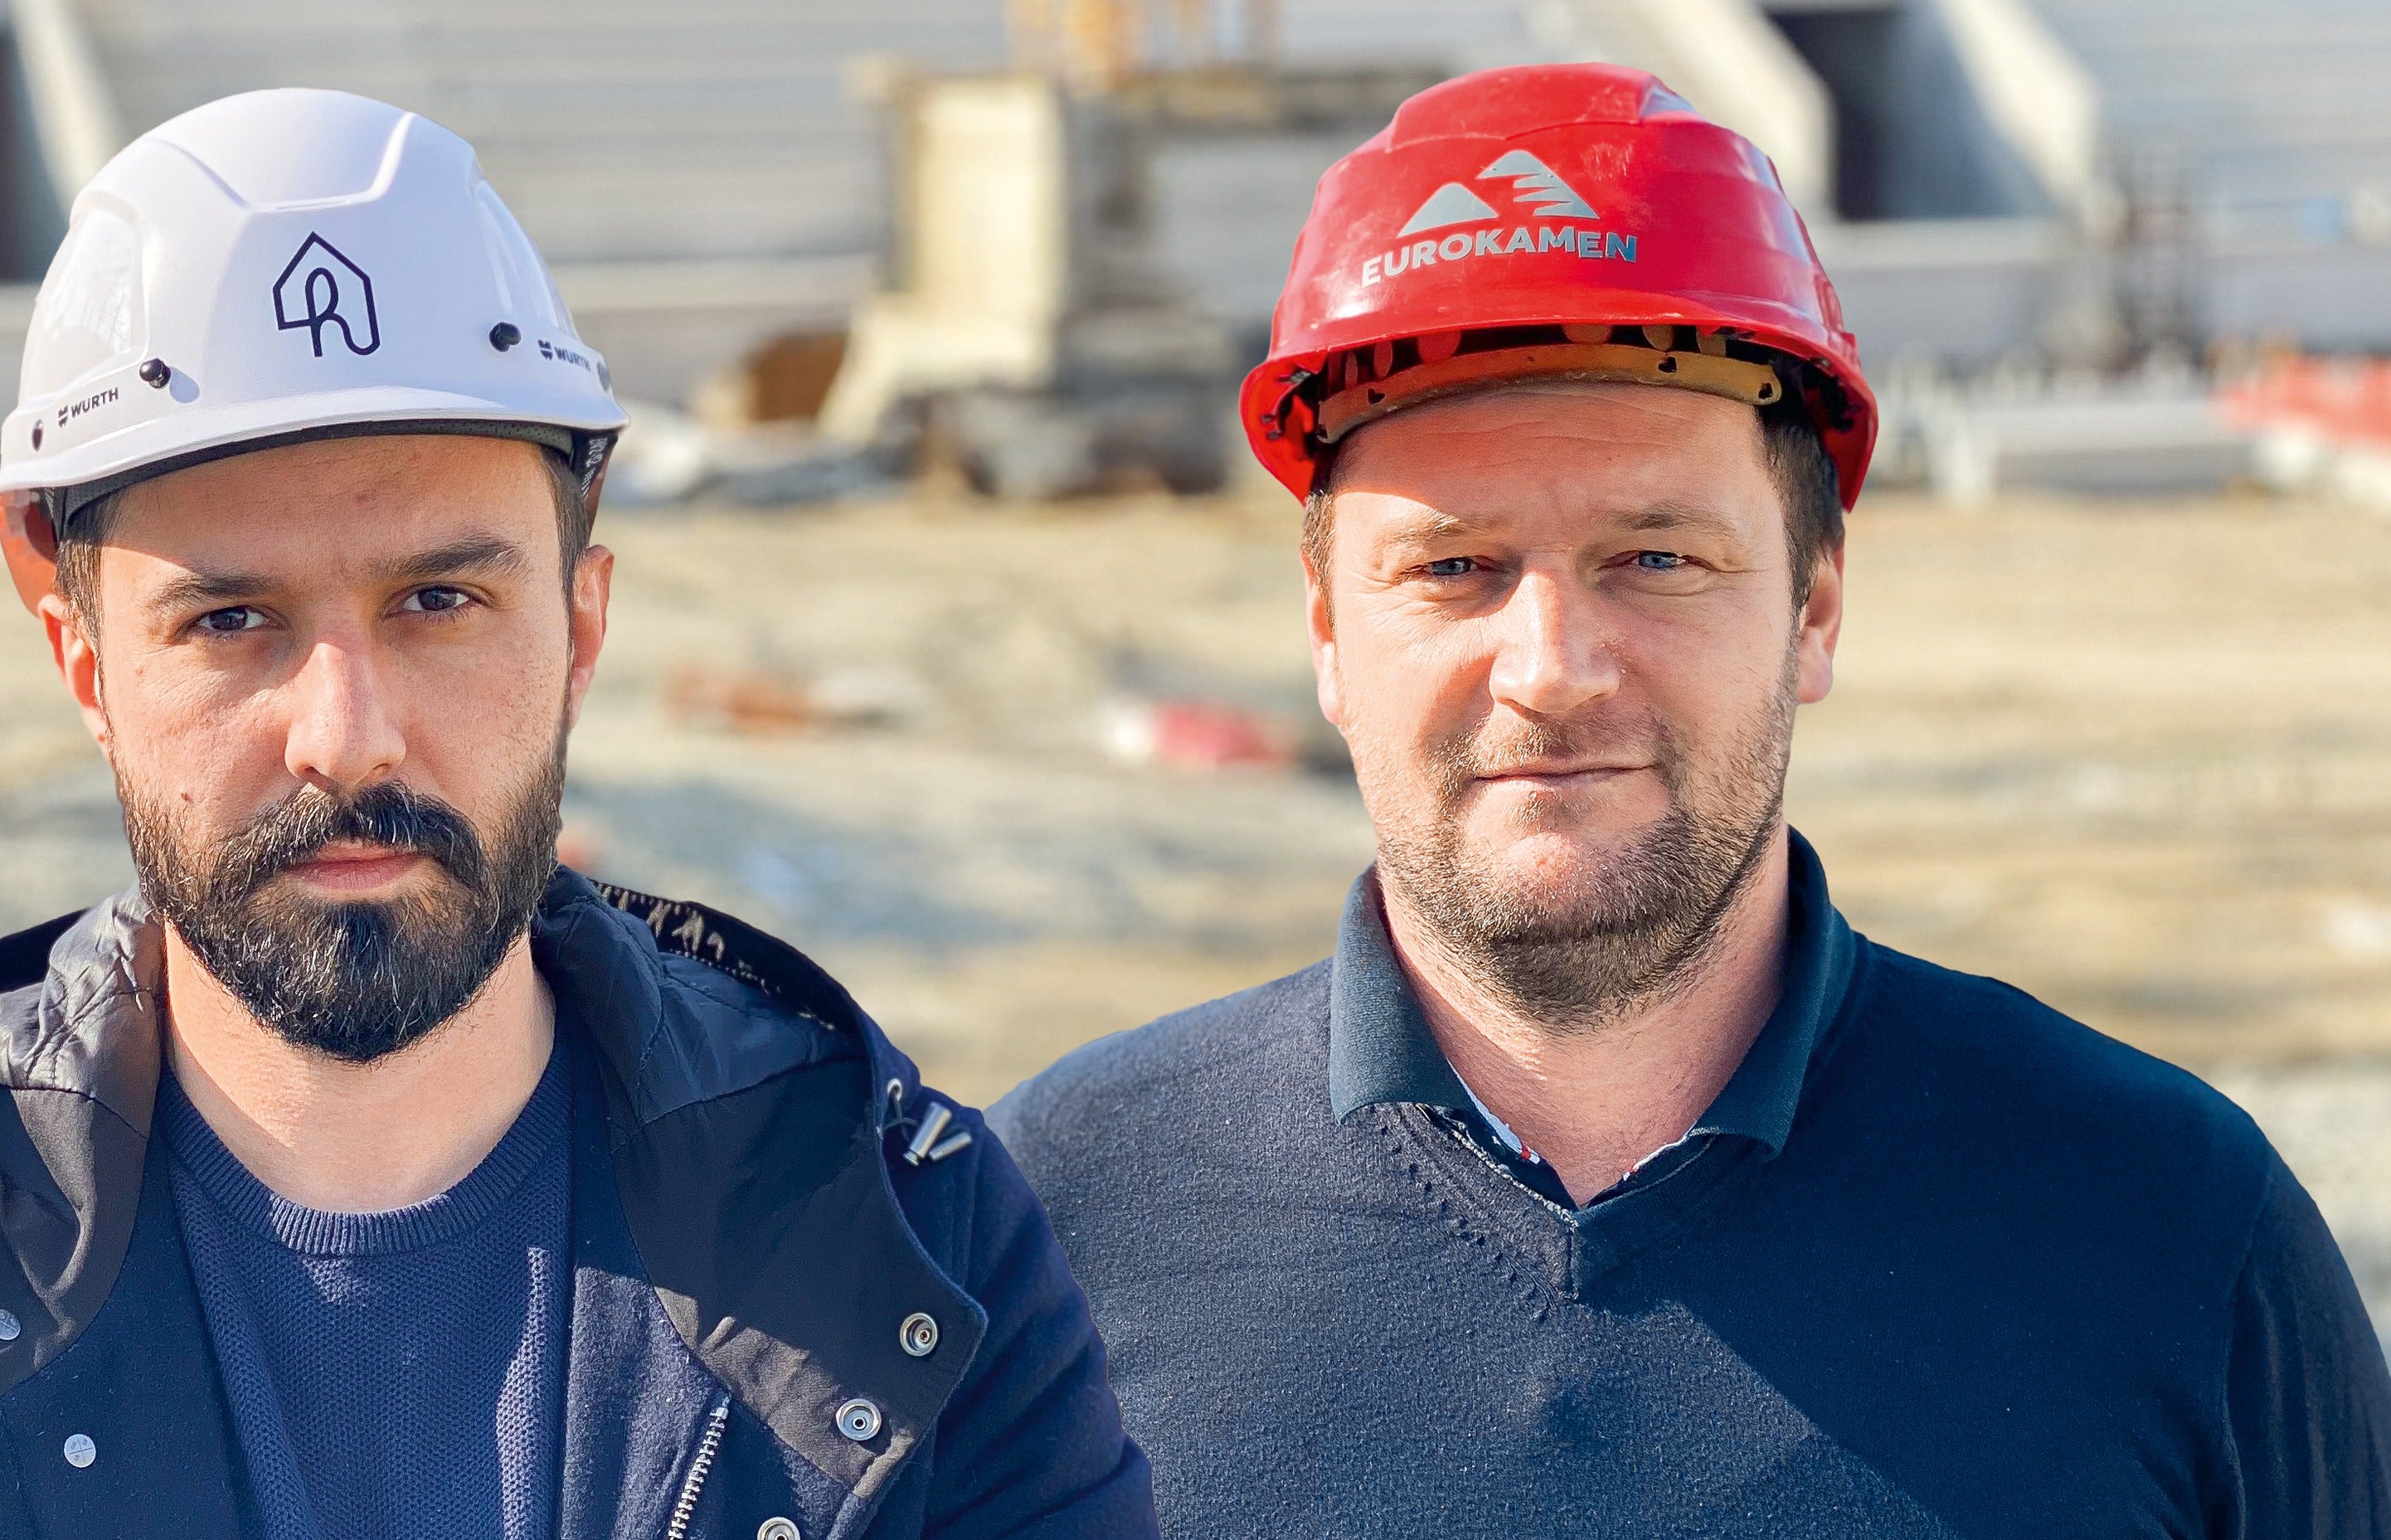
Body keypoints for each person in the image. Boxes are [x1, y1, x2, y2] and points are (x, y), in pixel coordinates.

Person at [0, 90, 1150, 1540]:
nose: (346, 738)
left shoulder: (908, 1245)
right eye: (231, 619)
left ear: (580, 624)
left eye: (440, 600)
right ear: (81, 659)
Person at [990, 61, 2391, 1538]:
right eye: (1453, 567)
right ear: (1330, 634)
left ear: (1814, 610)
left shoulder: (2164, 1229)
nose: (1551, 668)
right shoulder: (1046, 1227)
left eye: (1655, 558)